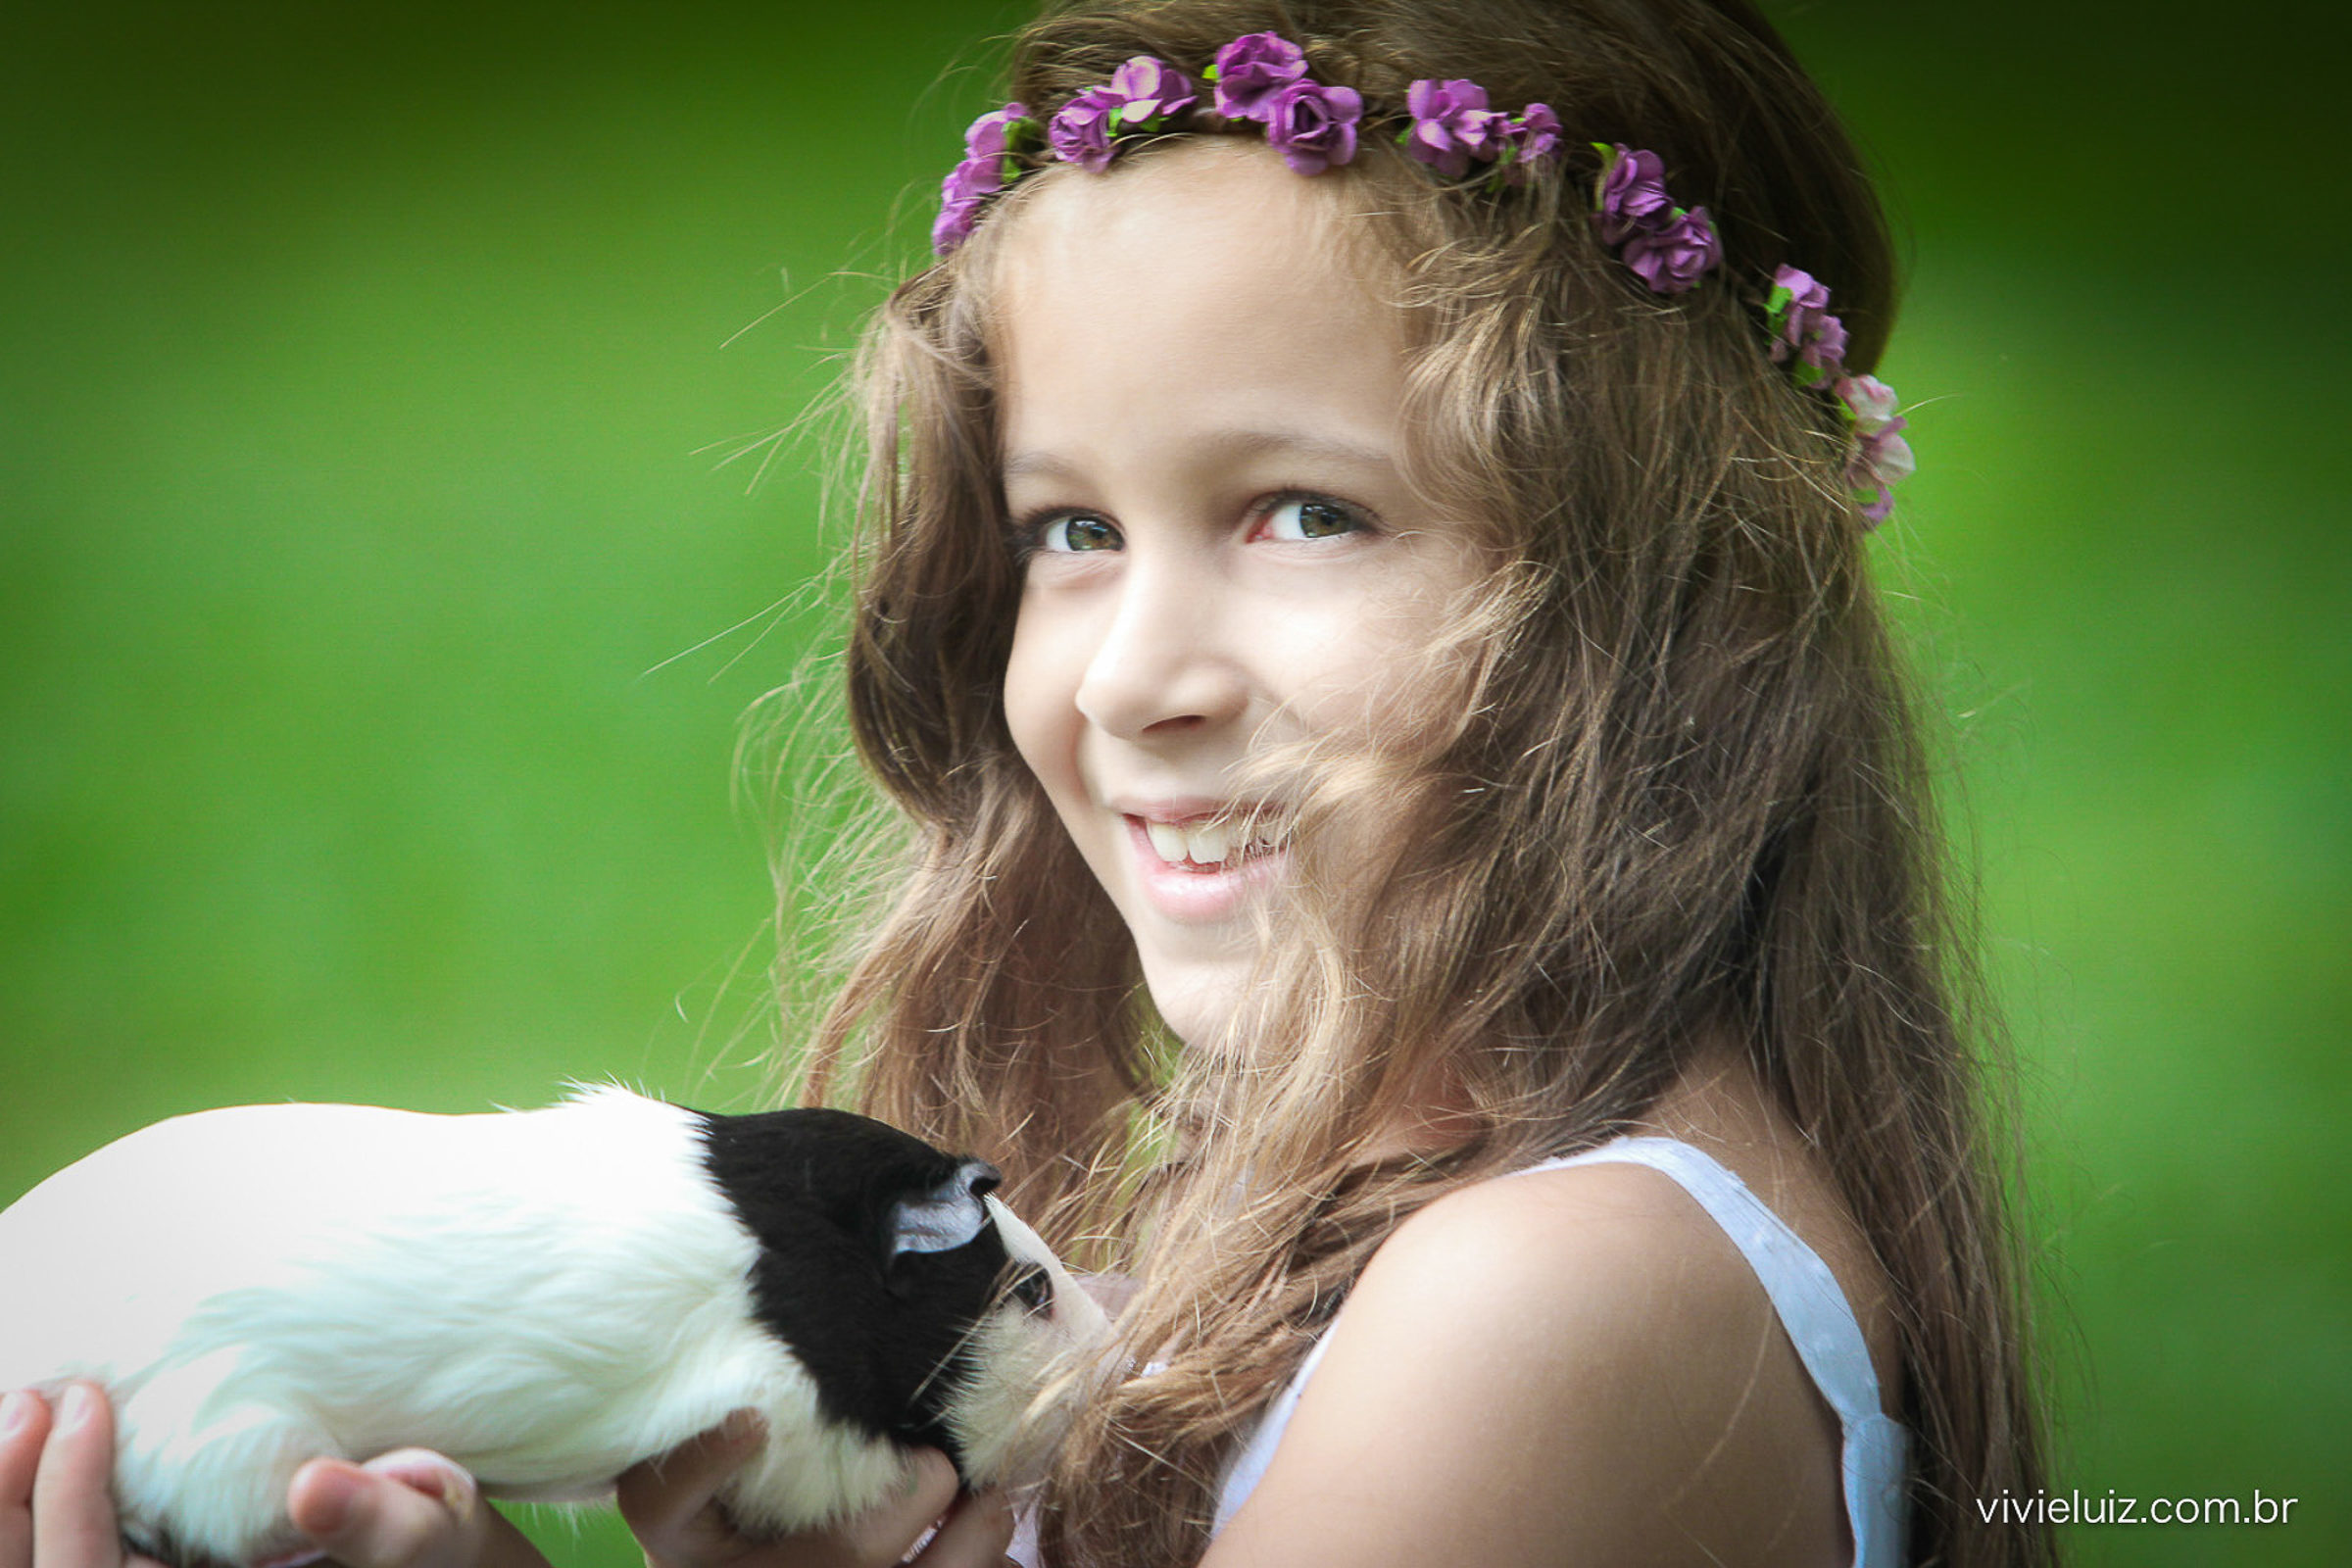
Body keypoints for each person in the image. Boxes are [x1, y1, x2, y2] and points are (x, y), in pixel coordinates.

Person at [3, 2, 2053, 1564]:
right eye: (1071, 529)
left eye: (1310, 513)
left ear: (1682, 597)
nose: (1134, 677)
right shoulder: (1387, 1205)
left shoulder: (1533, 1308)